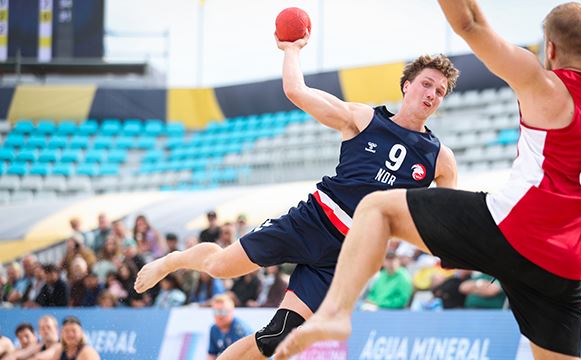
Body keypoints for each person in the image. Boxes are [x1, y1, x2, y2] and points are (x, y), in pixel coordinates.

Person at [274, 2, 581, 360]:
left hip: (511, 231)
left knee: (377, 206)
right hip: (568, 265)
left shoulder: (546, 85)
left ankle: (335, 313)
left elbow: (470, 22)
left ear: (549, 49)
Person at [135, 29, 459, 358]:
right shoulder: (363, 118)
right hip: (310, 222)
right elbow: (295, 90)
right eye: (426, 84)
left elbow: (449, 220)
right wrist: (292, 49)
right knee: (219, 266)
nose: (432, 94)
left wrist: (458, 253)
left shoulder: (440, 159)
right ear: (407, 85)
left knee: (276, 338)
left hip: (345, 255)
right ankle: (173, 261)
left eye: (440, 91)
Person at [207, 294, 252, 359]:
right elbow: (212, 354)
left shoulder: (240, 330)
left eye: (223, 312)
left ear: (231, 311)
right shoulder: (214, 329)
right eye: (216, 312)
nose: (219, 316)